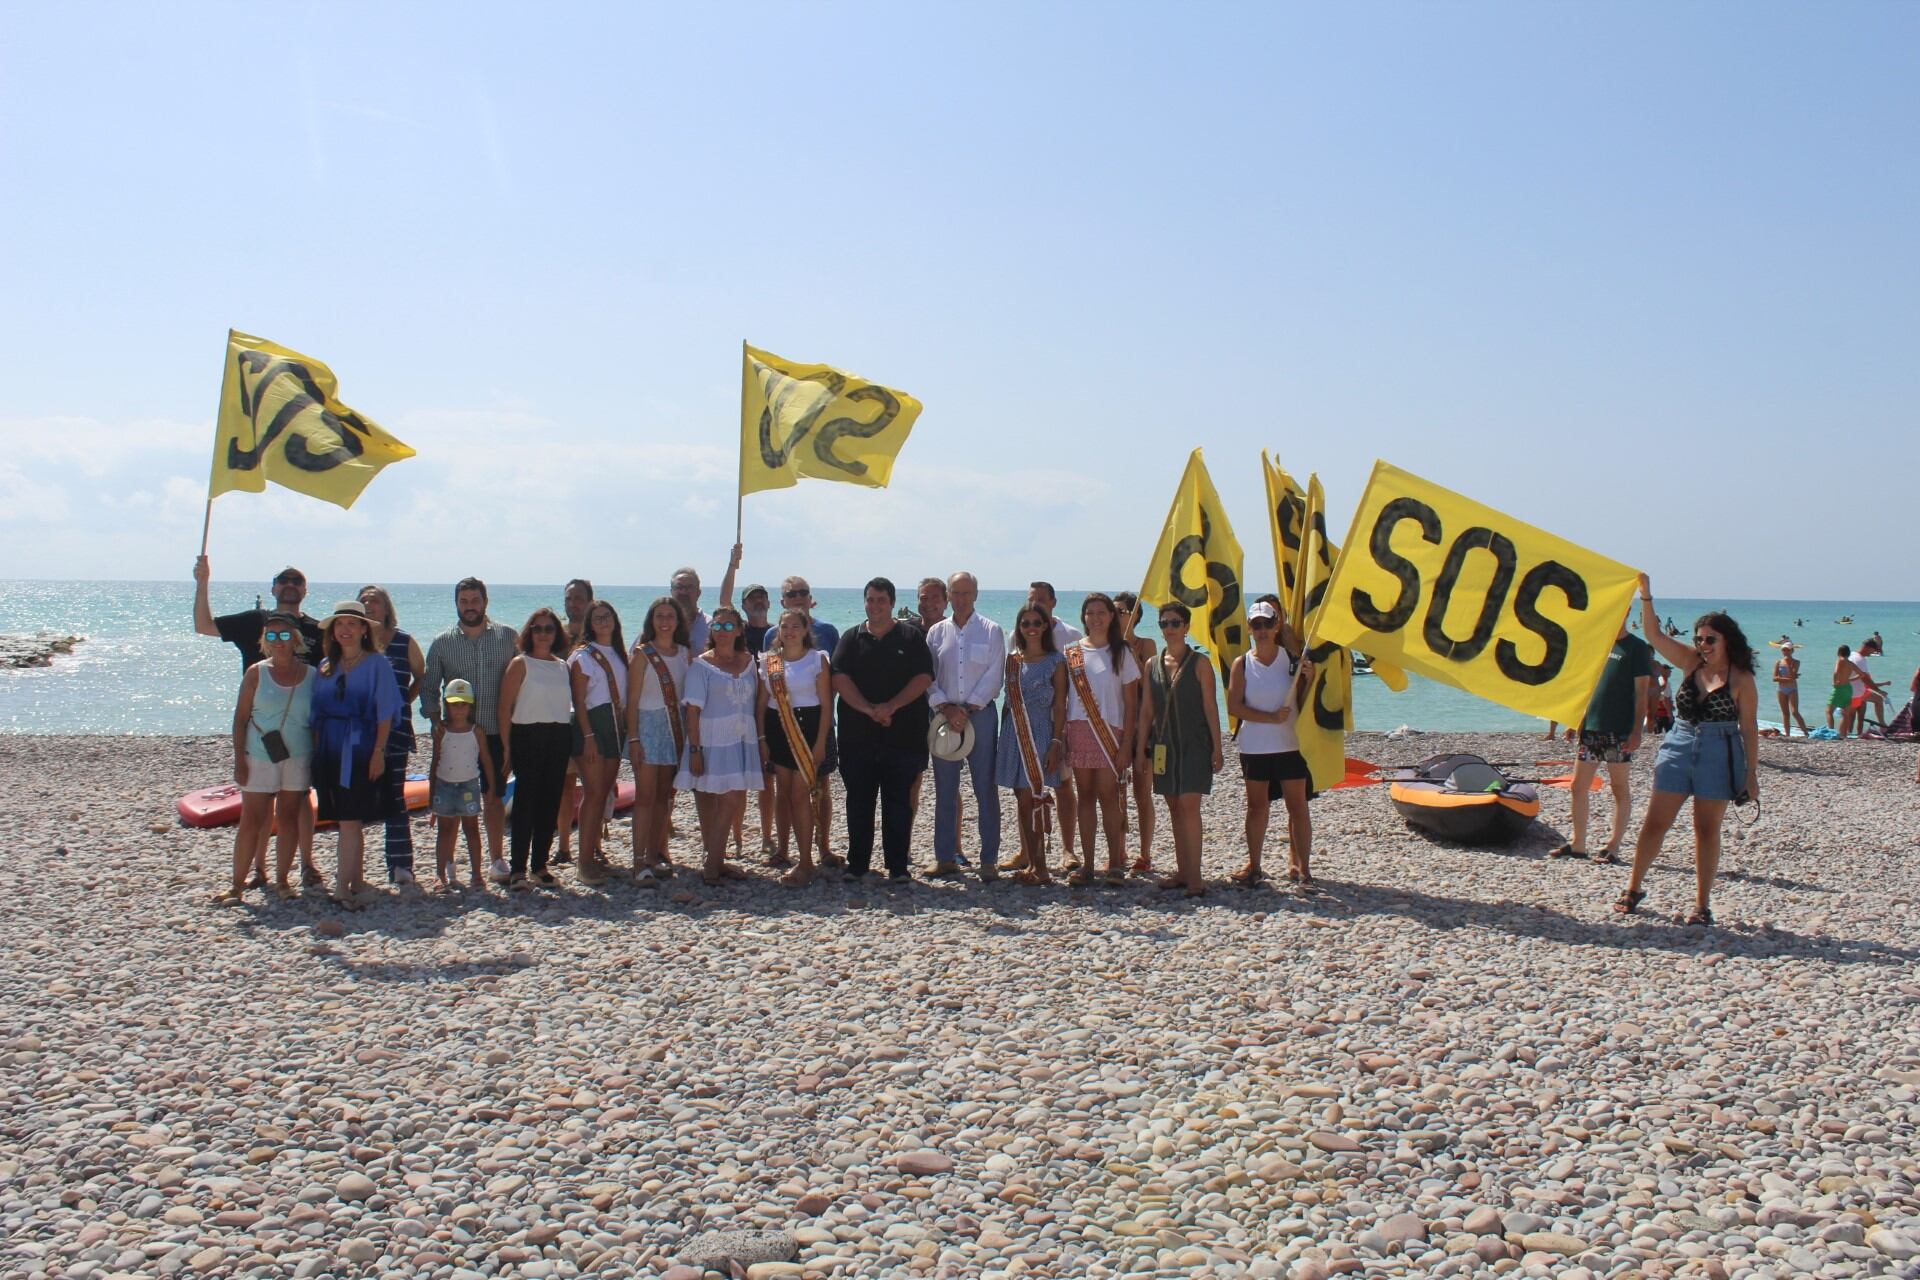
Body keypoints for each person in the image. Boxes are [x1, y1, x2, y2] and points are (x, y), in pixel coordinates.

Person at [1613, 576, 1759, 927]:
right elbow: (1654, 636)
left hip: (1719, 751)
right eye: (1699, 638)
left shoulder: (1741, 679)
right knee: (1655, 824)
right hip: (1679, 744)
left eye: (1711, 639)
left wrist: (1750, 775)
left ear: (1727, 640)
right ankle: (1633, 888)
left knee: (1706, 830)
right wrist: (1646, 596)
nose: (1703, 644)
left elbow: (1749, 729)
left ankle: (1702, 905)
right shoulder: (1690, 662)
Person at [193, 557, 324, 885]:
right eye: (284, 580)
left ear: (305, 590)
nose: (290, 585)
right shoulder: (255, 621)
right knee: (260, 806)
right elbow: (204, 626)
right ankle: (259, 869)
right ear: (274, 588)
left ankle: (306, 864)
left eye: (297, 580)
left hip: (300, 735)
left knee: (299, 803)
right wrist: (203, 581)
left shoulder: (318, 630)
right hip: (260, 733)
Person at [833, 578, 935, 883]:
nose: (875, 605)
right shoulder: (851, 638)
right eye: (870, 599)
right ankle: (858, 864)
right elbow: (839, 677)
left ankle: (898, 866)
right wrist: (868, 709)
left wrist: (890, 706)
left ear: (892, 603)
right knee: (859, 801)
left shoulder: (911, 637)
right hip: (857, 737)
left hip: (903, 735)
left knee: (898, 803)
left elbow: (923, 677)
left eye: (881, 600)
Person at [421, 578, 520, 878]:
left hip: (494, 731)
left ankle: (496, 859)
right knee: (450, 802)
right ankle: (449, 863)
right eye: (464, 601)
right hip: (457, 735)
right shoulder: (442, 643)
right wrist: (436, 720)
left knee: (493, 796)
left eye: (475, 600)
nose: (470, 606)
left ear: (485, 602)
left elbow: (521, 681)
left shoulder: (507, 637)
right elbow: (428, 687)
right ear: (456, 604)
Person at [309, 600, 401, 909]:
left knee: (350, 819)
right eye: (339, 624)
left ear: (364, 629)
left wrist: (378, 751)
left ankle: (341, 888)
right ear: (332, 631)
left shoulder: (377, 663)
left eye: (352, 624)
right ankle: (356, 879)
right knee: (348, 820)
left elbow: (386, 711)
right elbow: (316, 713)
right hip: (329, 750)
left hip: (361, 748)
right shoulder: (325, 667)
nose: (345, 630)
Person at [217, 613, 314, 904]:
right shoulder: (256, 673)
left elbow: (317, 720)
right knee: (252, 819)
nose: (278, 642)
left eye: (284, 635)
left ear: (295, 639)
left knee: (288, 818)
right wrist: (238, 760)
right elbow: (240, 718)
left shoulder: (312, 676)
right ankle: (237, 883)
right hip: (259, 754)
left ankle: (283, 880)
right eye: (271, 636)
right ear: (264, 640)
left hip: (298, 755)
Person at [1228, 598, 1313, 886]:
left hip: (1290, 744)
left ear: (1277, 625)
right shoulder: (1242, 664)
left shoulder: (1291, 660)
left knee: (1297, 806)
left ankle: (1304, 869)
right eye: (1256, 624)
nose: (1262, 630)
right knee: (1256, 807)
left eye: (1267, 623)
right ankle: (1254, 864)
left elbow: (1304, 702)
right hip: (1255, 747)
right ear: (1249, 628)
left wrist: (1310, 680)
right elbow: (1234, 706)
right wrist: (1270, 717)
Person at [1551, 619, 1652, 863]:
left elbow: (1642, 693)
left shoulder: (1637, 648)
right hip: (1593, 729)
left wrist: (1637, 730)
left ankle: (1613, 846)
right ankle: (1578, 844)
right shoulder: (1599, 645)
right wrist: (1577, 719)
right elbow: (1590, 687)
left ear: (1626, 610)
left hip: (1619, 731)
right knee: (1578, 786)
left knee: (1618, 788)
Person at [676, 605, 762, 885]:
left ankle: (717, 859)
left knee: (734, 799)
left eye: (729, 626)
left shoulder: (750, 661)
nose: (723, 631)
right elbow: (692, 711)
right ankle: (712, 865)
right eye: (718, 626)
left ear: (739, 630)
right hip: (711, 740)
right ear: (711, 630)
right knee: (726, 799)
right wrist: (695, 749)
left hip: (741, 740)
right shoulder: (701, 665)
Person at [927, 572, 1005, 880]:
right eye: (954, 593)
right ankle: (944, 857)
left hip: (980, 716)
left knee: (985, 789)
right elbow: (927, 675)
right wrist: (946, 707)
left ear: (976, 594)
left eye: (965, 593)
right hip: (944, 717)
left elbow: (994, 674)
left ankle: (989, 860)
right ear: (947, 595)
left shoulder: (991, 630)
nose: (960, 598)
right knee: (945, 790)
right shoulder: (935, 632)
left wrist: (968, 708)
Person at [764, 575, 843, 867]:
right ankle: (783, 849)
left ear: (810, 597)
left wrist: (823, 735)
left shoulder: (828, 633)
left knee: (819, 785)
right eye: (791, 593)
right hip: (780, 727)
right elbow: (767, 691)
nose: (797, 596)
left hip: (816, 725)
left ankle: (822, 848)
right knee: (782, 789)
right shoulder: (772, 638)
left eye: (803, 592)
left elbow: (831, 687)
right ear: (783, 601)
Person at [1063, 592, 1141, 887]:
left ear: (1111, 616)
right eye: (1090, 613)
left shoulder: (1122, 653)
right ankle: (1089, 865)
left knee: (1109, 797)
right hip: (1080, 730)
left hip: (1111, 732)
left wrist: (1127, 746)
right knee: (1084, 796)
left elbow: (1132, 704)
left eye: (1102, 612)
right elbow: (1064, 699)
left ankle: (1115, 863)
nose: (1096, 618)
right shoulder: (1071, 653)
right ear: (1083, 617)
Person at [1145, 601, 1222, 897]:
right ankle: (1182, 870)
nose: (1169, 628)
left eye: (1175, 623)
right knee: (1174, 807)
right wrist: (1141, 747)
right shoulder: (1152, 664)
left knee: (1190, 807)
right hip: (1164, 745)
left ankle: (1196, 877)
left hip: (1195, 744)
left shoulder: (1200, 664)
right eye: (1164, 623)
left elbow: (1211, 708)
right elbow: (1147, 710)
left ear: (1187, 627)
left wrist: (1217, 747)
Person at [498, 607, 575, 888]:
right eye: (538, 628)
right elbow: (505, 708)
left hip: (558, 735)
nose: (543, 633)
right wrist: (506, 747)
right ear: (529, 632)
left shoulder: (562, 666)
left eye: (549, 629)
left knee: (550, 802)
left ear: (557, 634)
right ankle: (517, 868)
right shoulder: (521, 663)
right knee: (526, 803)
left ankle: (539, 866)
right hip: (527, 735)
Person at [358, 585, 424, 886]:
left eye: (375, 601)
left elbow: (423, 677)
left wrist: (402, 702)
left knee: (395, 796)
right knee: (356, 797)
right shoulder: (355, 643)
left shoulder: (403, 641)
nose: (370, 605)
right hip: (358, 732)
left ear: (386, 608)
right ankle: (353, 868)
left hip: (396, 730)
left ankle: (401, 866)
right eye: (364, 601)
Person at [996, 605, 1067, 884]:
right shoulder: (1013, 660)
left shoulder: (1056, 661)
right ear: (1019, 628)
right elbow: (1006, 703)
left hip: (1039, 733)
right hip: (1014, 733)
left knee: (1031, 799)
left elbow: (1060, 705)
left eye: (1037, 622)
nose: (1031, 627)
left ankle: (1041, 867)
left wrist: (1056, 742)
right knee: (1022, 798)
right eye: (1025, 623)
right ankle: (1034, 863)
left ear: (1046, 626)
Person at [626, 596, 690, 881]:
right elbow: (632, 700)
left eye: (670, 616)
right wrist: (634, 739)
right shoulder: (642, 654)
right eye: (659, 616)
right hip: (648, 727)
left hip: (674, 729)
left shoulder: (685, 654)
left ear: (678, 621)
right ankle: (639, 861)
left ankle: (656, 854)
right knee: (645, 797)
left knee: (665, 797)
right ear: (651, 621)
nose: (665, 621)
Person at [567, 600, 628, 885]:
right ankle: (584, 862)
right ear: (590, 624)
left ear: (614, 620)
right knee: (592, 793)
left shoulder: (618, 653)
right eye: (597, 618)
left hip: (614, 726)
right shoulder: (582, 657)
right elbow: (578, 701)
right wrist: (588, 736)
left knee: (603, 792)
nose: (603, 621)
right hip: (590, 726)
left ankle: (593, 854)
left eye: (607, 616)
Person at [1026, 580, 1083, 870]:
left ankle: (1067, 849)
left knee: (1062, 784)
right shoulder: (1020, 634)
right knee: (1026, 786)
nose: (1035, 604)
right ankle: (1028, 850)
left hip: (1061, 720)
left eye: (1041, 600)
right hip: (1028, 722)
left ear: (1053, 603)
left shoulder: (1071, 636)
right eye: (1030, 599)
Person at [430, 678, 498, 891]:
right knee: (445, 830)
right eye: (454, 705)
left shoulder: (476, 731)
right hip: (444, 785)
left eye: (463, 705)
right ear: (446, 706)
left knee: (472, 829)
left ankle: (476, 873)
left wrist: (491, 787)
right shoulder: (441, 731)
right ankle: (440, 873)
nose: (459, 710)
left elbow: (486, 759)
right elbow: (435, 760)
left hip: (469, 785)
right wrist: (431, 794)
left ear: (470, 706)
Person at [1113, 591, 1159, 875]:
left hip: (1143, 728)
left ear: (1135, 615)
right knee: (1114, 792)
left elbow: (1153, 684)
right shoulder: (1105, 646)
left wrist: (1133, 657)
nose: (1115, 615)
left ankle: (1144, 853)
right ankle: (1117, 850)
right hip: (1114, 726)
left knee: (1143, 791)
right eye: (1113, 610)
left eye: (1120, 611)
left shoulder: (1147, 644)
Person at [553, 577, 596, 866]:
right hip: (560, 722)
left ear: (590, 601)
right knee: (565, 786)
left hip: (593, 722)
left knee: (596, 787)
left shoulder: (599, 636)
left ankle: (594, 845)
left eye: (579, 598)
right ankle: (564, 846)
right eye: (569, 598)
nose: (573, 604)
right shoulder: (555, 636)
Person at [1772, 641, 1810, 738]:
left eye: (1787, 650)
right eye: (1784, 650)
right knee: (1785, 713)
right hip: (1781, 690)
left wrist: (1789, 665)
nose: (1785, 652)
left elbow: (1793, 675)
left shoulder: (1796, 662)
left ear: (1792, 651)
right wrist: (1787, 679)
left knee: (1794, 712)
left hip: (1792, 689)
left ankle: (1806, 733)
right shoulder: (1778, 662)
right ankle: (1787, 734)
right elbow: (1774, 678)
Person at [670, 566, 712, 654]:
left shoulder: (712, 626)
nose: (684, 592)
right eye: (679, 587)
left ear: (698, 593)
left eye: (689, 587)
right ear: (671, 592)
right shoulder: (660, 625)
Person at [1854, 638, 1890, 732]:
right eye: (1872, 651)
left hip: (1853, 689)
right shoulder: (1860, 659)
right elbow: (1865, 679)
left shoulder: (1853, 655)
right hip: (1857, 691)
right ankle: (1882, 725)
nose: (1872, 654)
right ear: (1867, 647)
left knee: (1856, 716)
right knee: (1879, 699)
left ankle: (1853, 733)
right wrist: (1879, 691)